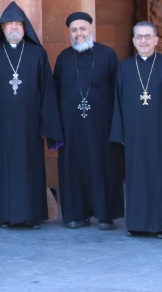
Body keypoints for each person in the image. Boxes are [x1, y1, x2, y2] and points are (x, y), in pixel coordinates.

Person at [0, 1, 62, 229]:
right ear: (2, 28)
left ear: (25, 27)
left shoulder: (37, 54)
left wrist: (47, 125)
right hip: (2, 125)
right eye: (9, 24)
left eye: (18, 23)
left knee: (31, 170)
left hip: (30, 126)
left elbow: (47, 91)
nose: (14, 27)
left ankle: (32, 216)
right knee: (5, 170)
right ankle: (5, 216)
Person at [109, 21, 162, 239]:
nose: (143, 40)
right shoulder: (125, 67)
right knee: (137, 179)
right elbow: (118, 102)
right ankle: (138, 224)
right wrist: (120, 133)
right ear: (133, 41)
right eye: (139, 37)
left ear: (156, 40)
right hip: (134, 136)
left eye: (148, 36)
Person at [53, 12, 123, 230]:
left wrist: (118, 126)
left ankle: (105, 215)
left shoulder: (108, 55)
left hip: (101, 125)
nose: (78, 33)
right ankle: (76, 214)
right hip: (71, 127)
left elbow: (119, 92)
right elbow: (55, 92)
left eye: (82, 29)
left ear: (91, 29)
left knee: (103, 166)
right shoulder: (63, 58)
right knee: (73, 169)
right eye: (74, 30)